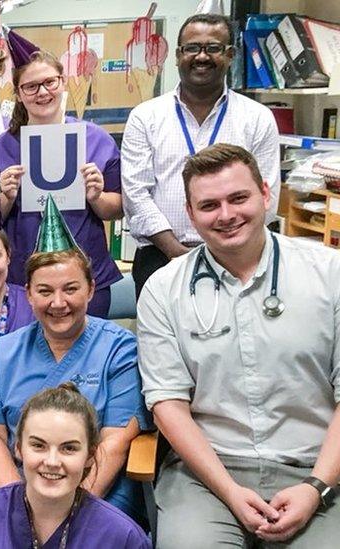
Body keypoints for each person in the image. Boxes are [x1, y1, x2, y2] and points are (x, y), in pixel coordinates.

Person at [138, 143, 340, 547]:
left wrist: (315, 486)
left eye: (239, 198)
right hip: (208, 477)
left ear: (266, 194)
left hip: (316, 469)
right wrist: (229, 491)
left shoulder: (329, 274)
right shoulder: (164, 290)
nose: (227, 215)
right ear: (191, 215)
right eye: (209, 205)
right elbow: (168, 404)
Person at [0, 197, 150, 521]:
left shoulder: (120, 350)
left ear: (91, 289)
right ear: (28, 294)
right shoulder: (2, 353)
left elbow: (116, 440)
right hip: (20, 482)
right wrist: (23, 506)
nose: (58, 303)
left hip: (99, 487)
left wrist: (69, 510)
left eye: (70, 289)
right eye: (44, 291)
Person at [122, 12, 280, 298]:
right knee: (165, 341)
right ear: (178, 55)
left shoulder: (257, 118)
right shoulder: (145, 117)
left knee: (240, 338)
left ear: (230, 54)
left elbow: (266, 195)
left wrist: (222, 249)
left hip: (239, 257)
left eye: (213, 48)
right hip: (160, 257)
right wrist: (176, 251)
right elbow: (135, 193)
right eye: (192, 48)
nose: (202, 57)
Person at [0, 45, 122, 318]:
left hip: (87, 277)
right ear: (18, 94)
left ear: (62, 82)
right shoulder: (0, 149)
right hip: (24, 283)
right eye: (30, 87)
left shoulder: (95, 139)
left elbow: (118, 208)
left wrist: (97, 197)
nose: (42, 92)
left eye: (49, 82)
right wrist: (4, 198)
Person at [0, 383, 151, 549]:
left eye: (68, 448)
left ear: (90, 456)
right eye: (38, 446)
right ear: (19, 449)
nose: (52, 462)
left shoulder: (123, 537)